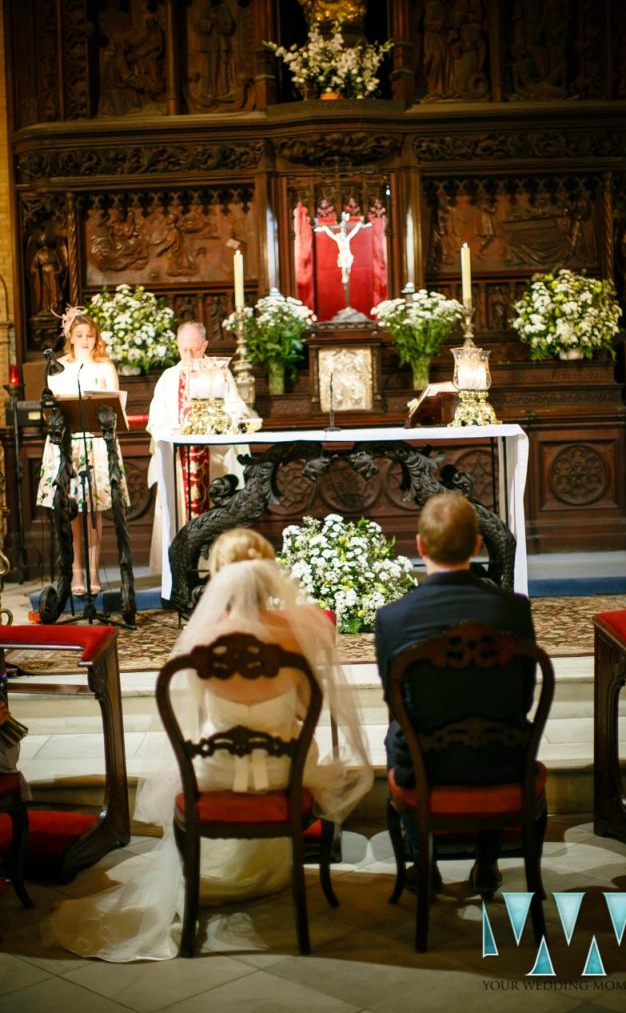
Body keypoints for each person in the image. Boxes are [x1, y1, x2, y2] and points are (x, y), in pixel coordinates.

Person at [46, 528, 373, 961]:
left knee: (208, 748)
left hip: (214, 771)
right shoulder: (293, 638)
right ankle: (267, 871)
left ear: (219, 576)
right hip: (282, 774)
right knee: (307, 752)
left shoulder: (200, 641)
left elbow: (195, 715)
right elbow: (305, 711)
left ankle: (218, 873)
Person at [374, 491, 536, 895]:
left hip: (425, 769)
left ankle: (423, 863)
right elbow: (525, 695)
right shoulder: (513, 610)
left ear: (420, 545)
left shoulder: (393, 617)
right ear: (478, 545)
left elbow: (394, 702)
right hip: (506, 761)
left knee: (398, 735)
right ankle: (487, 862)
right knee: (504, 720)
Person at [36, 307, 129, 596]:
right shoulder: (59, 367)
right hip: (69, 444)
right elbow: (52, 408)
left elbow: (117, 408)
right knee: (72, 509)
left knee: (94, 510)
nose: (85, 340)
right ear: (70, 337)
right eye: (79, 335)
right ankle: (76, 571)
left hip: (97, 444)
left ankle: (93, 572)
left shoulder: (105, 367)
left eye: (90, 335)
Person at [146, 320, 251, 573]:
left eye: (195, 349)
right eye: (184, 350)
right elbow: (156, 420)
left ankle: (216, 570)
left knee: (217, 511)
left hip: (214, 460)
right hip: (179, 461)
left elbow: (237, 410)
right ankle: (179, 572)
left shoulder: (221, 374)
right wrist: (175, 430)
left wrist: (222, 424)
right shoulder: (169, 378)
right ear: (177, 347)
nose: (190, 356)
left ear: (204, 345)